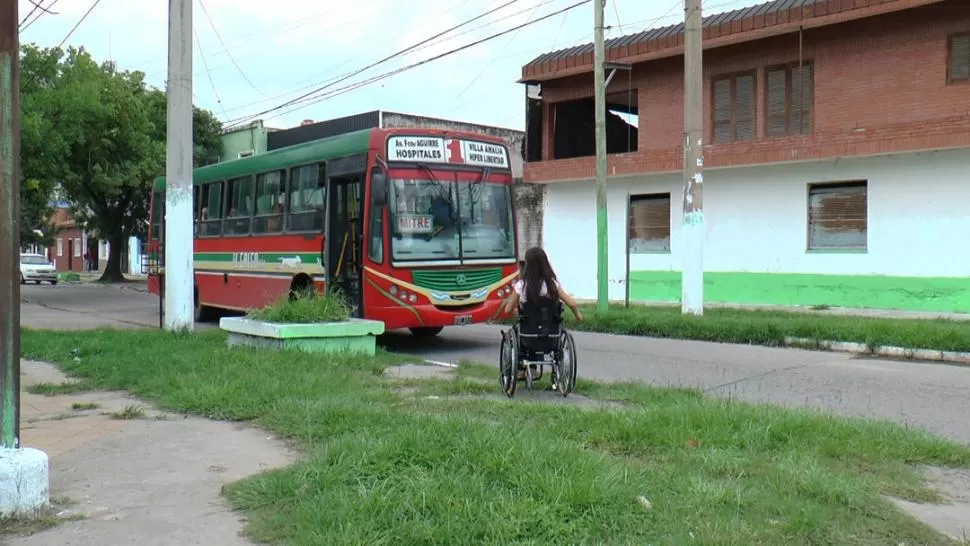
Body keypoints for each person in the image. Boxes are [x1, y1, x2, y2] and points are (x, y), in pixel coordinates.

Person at [502, 246, 583, 321]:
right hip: (549, 326)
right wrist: (577, 315)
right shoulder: (552, 284)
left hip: (528, 326)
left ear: (527, 264)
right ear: (545, 264)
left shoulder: (521, 285)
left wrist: (517, 313)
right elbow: (571, 303)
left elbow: (508, 309)